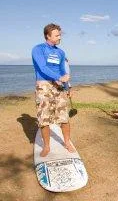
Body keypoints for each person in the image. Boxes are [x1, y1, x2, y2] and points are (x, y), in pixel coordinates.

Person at [32, 23, 75, 157]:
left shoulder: (61, 52)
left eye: (60, 34)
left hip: (60, 85)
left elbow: (63, 70)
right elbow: (42, 67)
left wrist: (68, 86)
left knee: (64, 117)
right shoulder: (38, 49)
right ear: (48, 36)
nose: (59, 37)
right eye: (57, 35)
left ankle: (67, 142)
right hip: (44, 85)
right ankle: (46, 146)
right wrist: (59, 78)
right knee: (44, 118)